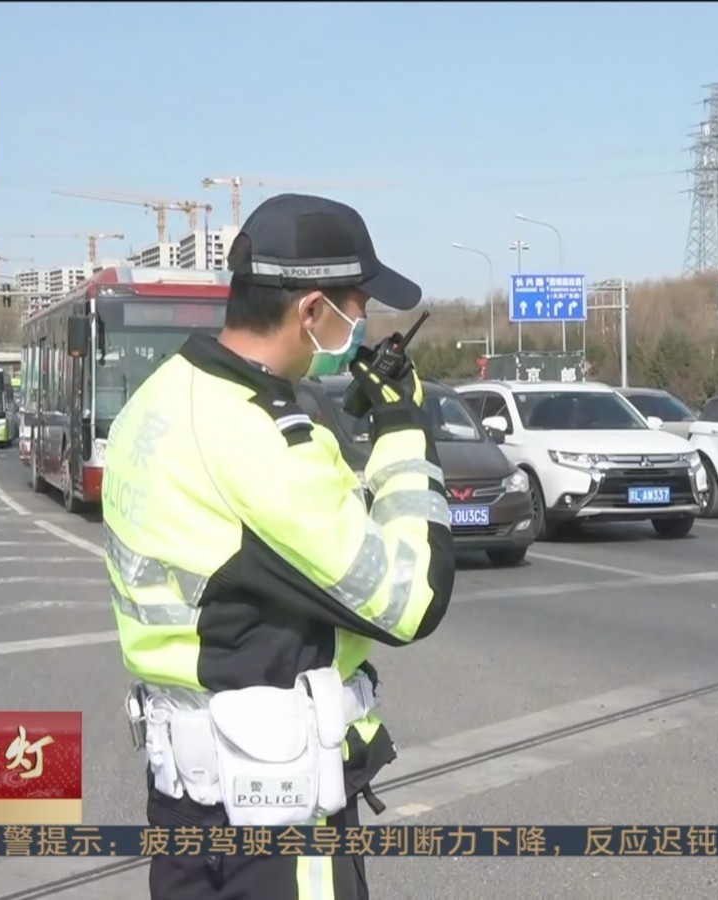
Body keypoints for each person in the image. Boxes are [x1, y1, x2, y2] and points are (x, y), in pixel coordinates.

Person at [102, 194, 456, 900]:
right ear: (312, 312)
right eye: (356, 308)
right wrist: (402, 433)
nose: (361, 327)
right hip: (273, 831)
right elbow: (410, 599)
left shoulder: (164, 396)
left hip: (190, 810)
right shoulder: (259, 439)